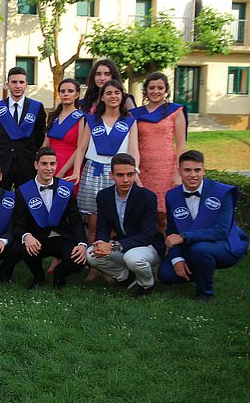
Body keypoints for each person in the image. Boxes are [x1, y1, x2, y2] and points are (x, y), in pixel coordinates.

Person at [158, 150, 249, 301]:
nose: (193, 174)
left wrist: (184, 236)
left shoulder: (222, 192)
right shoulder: (172, 195)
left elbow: (221, 231)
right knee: (166, 275)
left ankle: (205, 293)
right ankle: (202, 270)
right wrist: (177, 259)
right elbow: (172, 231)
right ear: (179, 171)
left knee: (200, 249)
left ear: (204, 171)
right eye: (187, 170)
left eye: (197, 170)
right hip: (193, 245)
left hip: (225, 245)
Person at [71, 80, 141, 244]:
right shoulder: (93, 120)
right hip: (93, 171)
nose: (113, 96)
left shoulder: (130, 121)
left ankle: (110, 263)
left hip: (118, 173)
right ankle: (93, 262)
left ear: (122, 95)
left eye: (117, 93)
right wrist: (76, 171)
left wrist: (135, 172)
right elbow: (81, 148)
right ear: (102, 97)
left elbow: (134, 150)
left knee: (115, 221)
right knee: (93, 222)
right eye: (108, 93)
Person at [86, 153, 164, 296]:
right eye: (120, 175)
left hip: (149, 245)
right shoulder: (104, 196)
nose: (126, 179)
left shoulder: (147, 197)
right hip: (123, 243)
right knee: (91, 254)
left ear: (135, 173)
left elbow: (146, 235)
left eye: (130, 174)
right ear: (111, 175)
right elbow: (103, 226)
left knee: (132, 257)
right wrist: (100, 243)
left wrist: (113, 246)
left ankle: (147, 285)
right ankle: (125, 277)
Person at [12, 147, 87, 290]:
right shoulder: (24, 191)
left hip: (61, 235)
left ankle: (60, 274)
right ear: (36, 165)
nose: (48, 168)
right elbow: (17, 224)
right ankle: (38, 277)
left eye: (52, 164)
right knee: (25, 248)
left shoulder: (65, 188)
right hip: (38, 237)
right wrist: (26, 236)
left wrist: (82, 244)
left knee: (79, 259)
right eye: (44, 164)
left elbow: (76, 220)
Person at [131, 72, 188, 232]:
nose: (156, 91)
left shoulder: (175, 111)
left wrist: (178, 172)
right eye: (152, 88)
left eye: (160, 88)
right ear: (146, 91)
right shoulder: (136, 114)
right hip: (143, 168)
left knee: (164, 214)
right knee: (145, 213)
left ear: (166, 90)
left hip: (166, 169)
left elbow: (182, 144)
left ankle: (168, 251)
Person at [0, 66, 47, 190]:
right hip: (2, 163)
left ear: (26, 84)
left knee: (26, 201)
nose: (18, 86)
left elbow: (39, 136)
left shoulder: (36, 107)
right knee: (1, 201)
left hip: (27, 163)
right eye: (14, 82)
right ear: (8, 84)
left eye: (21, 82)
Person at [44, 78, 85, 186]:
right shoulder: (53, 116)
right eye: (63, 91)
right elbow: (45, 144)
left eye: (70, 91)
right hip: (49, 164)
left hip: (70, 165)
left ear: (77, 95)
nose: (66, 94)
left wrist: (62, 171)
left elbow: (80, 148)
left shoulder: (81, 117)